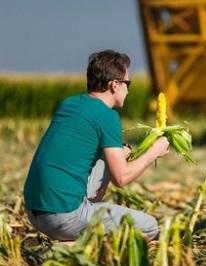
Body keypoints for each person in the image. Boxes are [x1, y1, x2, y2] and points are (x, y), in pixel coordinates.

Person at [23, 49, 170, 242]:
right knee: (150, 227)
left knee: (108, 161)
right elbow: (121, 178)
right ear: (114, 85)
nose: (129, 90)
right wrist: (153, 152)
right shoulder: (107, 116)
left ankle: (86, 222)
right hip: (61, 217)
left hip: (34, 210)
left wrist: (123, 152)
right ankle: (83, 244)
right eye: (128, 83)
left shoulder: (70, 103)